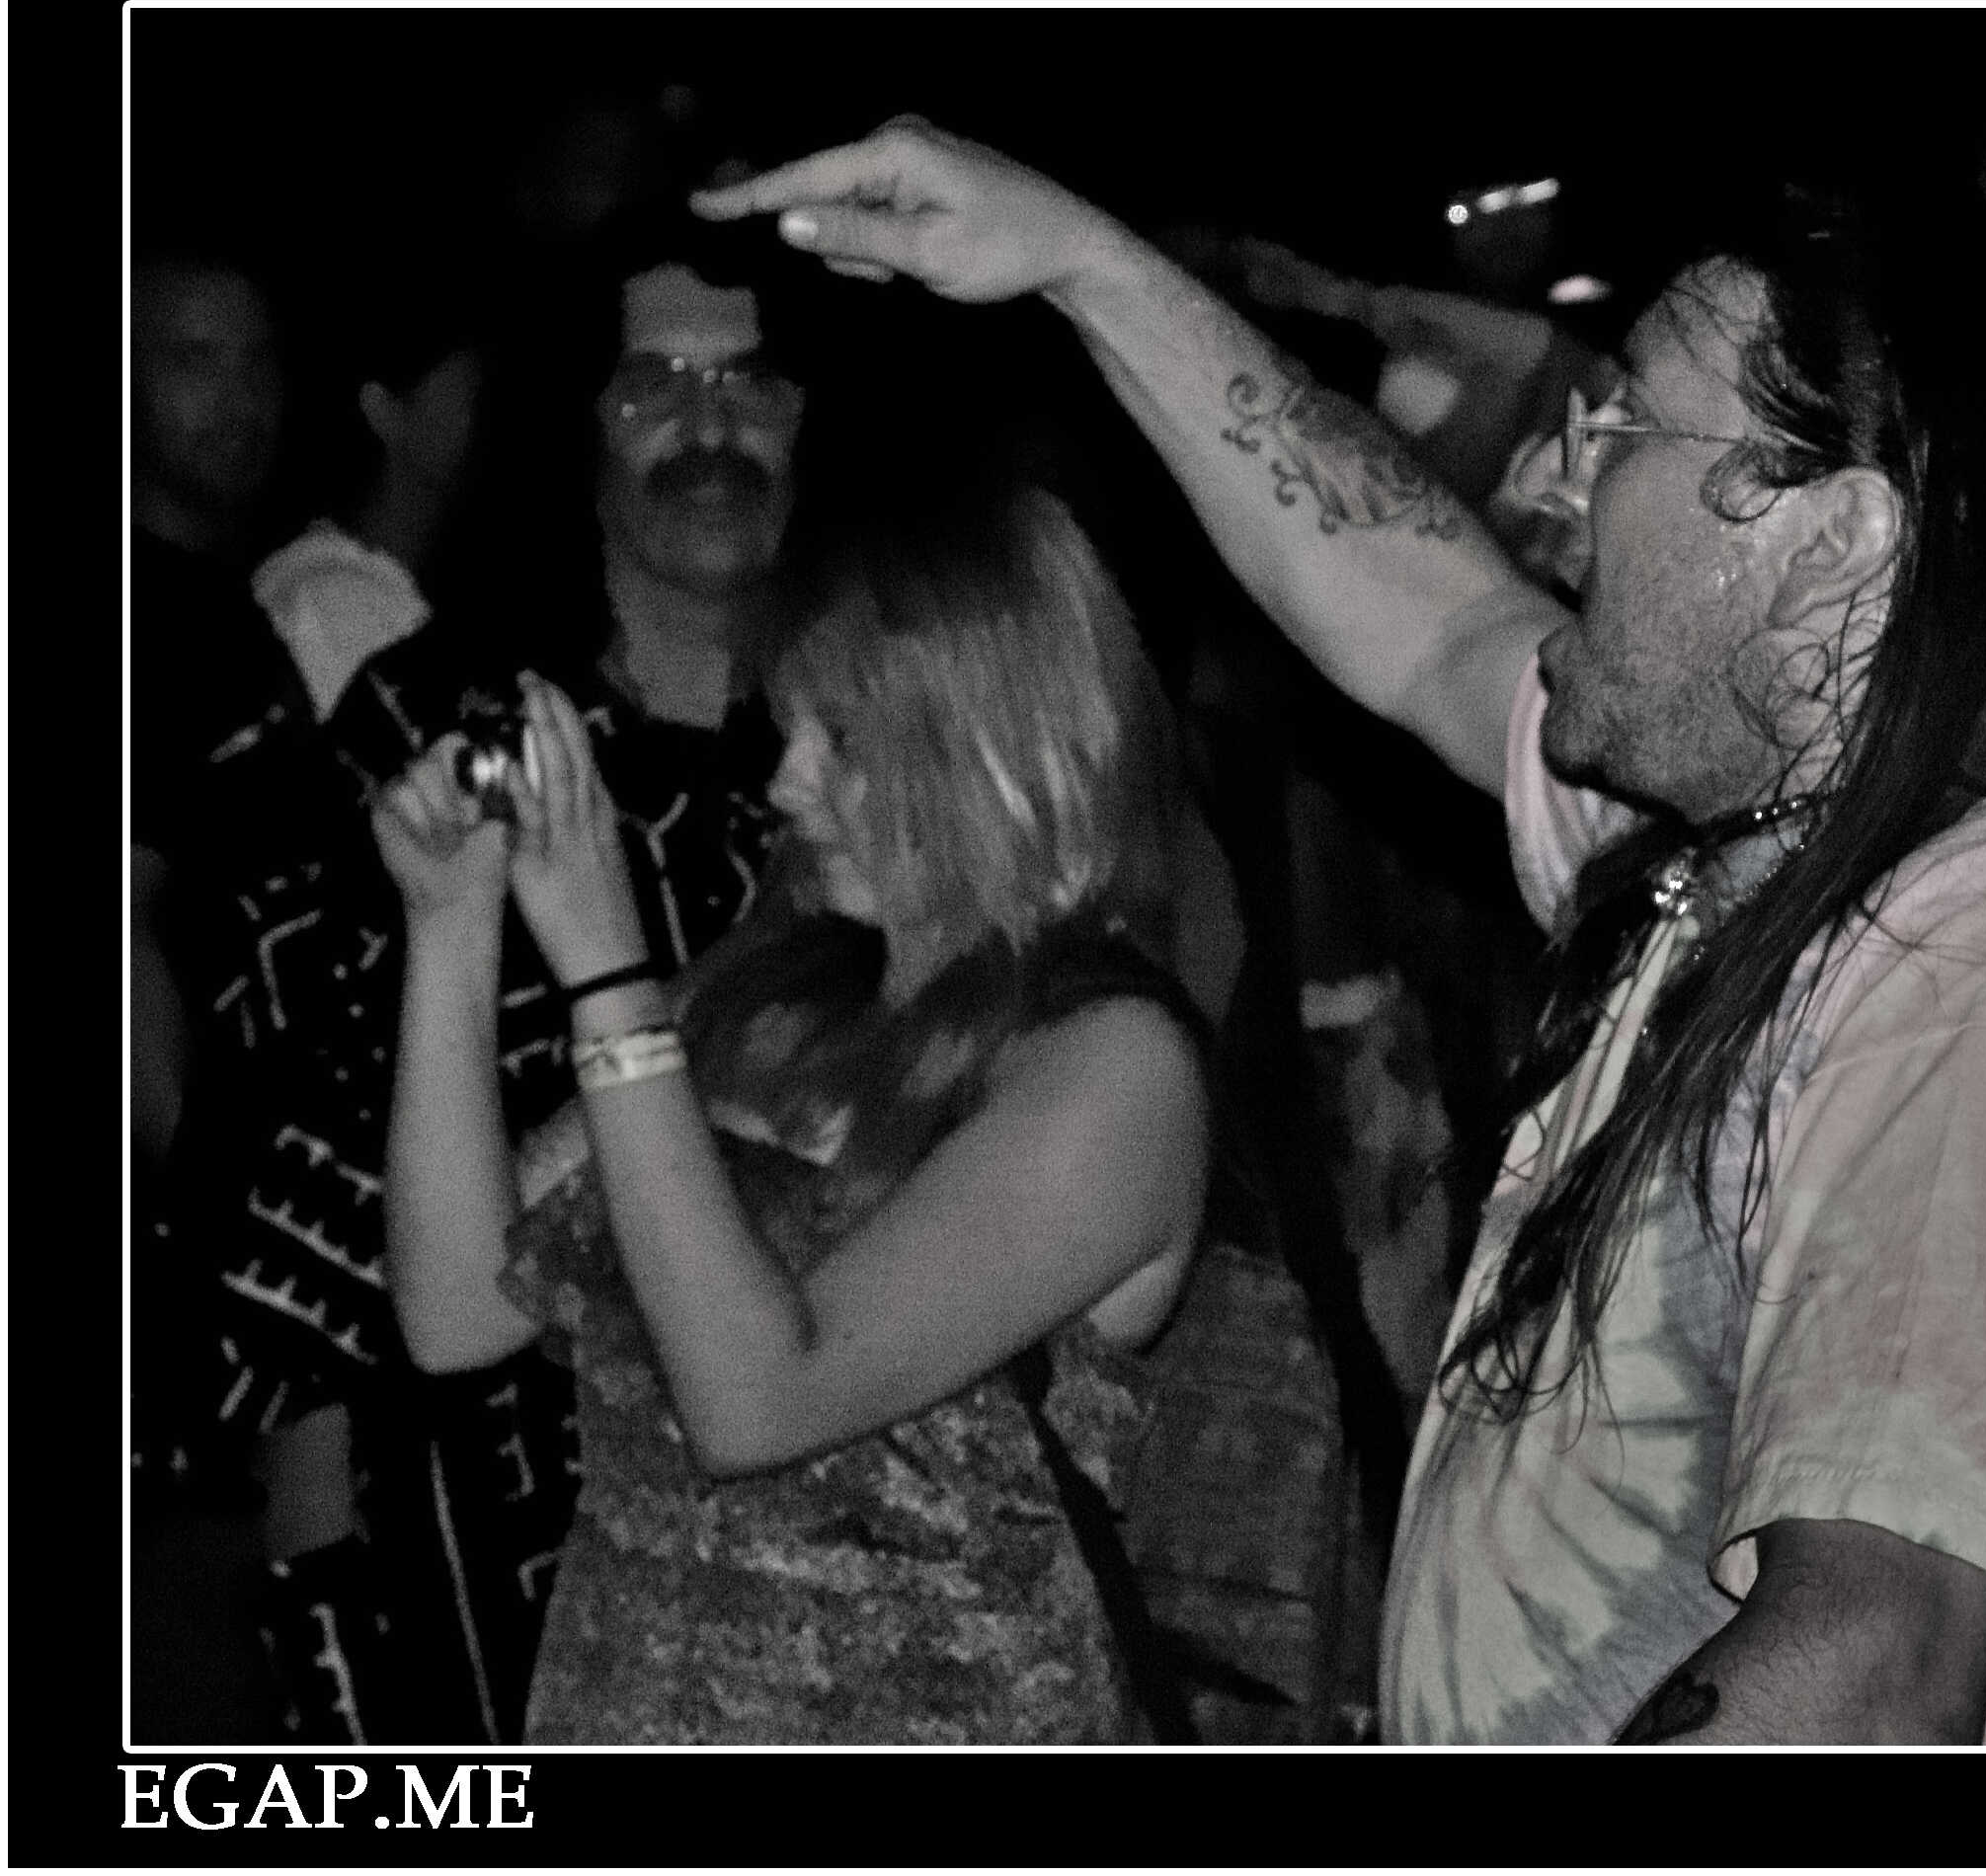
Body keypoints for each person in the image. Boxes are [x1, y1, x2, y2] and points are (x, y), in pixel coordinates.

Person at [698, 121, 1986, 1745]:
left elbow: (1868, 1669)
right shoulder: (1784, 832)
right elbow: (1429, 617)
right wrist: (1085, 264)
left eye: (1627, 426)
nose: (1549, 477)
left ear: (1832, 545)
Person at [371, 492, 1211, 1743]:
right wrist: (451, 923)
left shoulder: (1114, 1068)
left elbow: (758, 1398)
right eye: (788, 726)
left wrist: (607, 972)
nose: (786, 779)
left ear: (997, 737)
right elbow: (455, 1311)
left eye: (844, 737)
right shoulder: (773, 988)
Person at [205, 249, 803, 1743]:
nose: (708, 430)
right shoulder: (432, 721)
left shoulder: (877, 747)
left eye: (747, 386)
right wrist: (320, 1578)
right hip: (473, 1525)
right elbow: (290, 1155)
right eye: (653, 388)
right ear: (576, 426)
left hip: (814, 1528)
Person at [129, 244, 318, 1743]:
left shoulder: (234, 608)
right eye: (192, 357)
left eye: (257, 360)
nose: (236, 397)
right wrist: (194, 1215)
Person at [254, 291, 490, 716]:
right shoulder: (332, 602)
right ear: (384, 411)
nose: (484, 421)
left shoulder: (396, 586)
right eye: (464, 397)